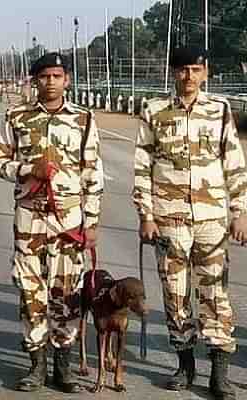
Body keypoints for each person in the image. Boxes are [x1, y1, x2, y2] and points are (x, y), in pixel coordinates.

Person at [134, 46, 247, 400]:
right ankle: (184, 365)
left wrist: (240, 211)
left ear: (205, 73)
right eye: (182, 70)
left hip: (211, 219)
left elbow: (233, 161)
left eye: (195, 70)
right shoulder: (153, 111)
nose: (188, 77)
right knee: (175, 293)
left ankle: (219, 372)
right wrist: (146, 215)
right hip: (170, 220)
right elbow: (141, 165)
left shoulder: (220, 111)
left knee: (215, 293)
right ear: (173, 73)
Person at [0, 53, 103, 393]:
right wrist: (27, 170)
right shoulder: (16, 116)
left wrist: (92, 222)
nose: (50, 81)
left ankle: (63, 367)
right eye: (44, 76)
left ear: (66, 80)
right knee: (30, 294)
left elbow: (92, 174)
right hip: (29, 221)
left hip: (69, 223)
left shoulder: (84, 119)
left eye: (57, 75)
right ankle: (36, 366)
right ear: (34, 81)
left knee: (66, 295)